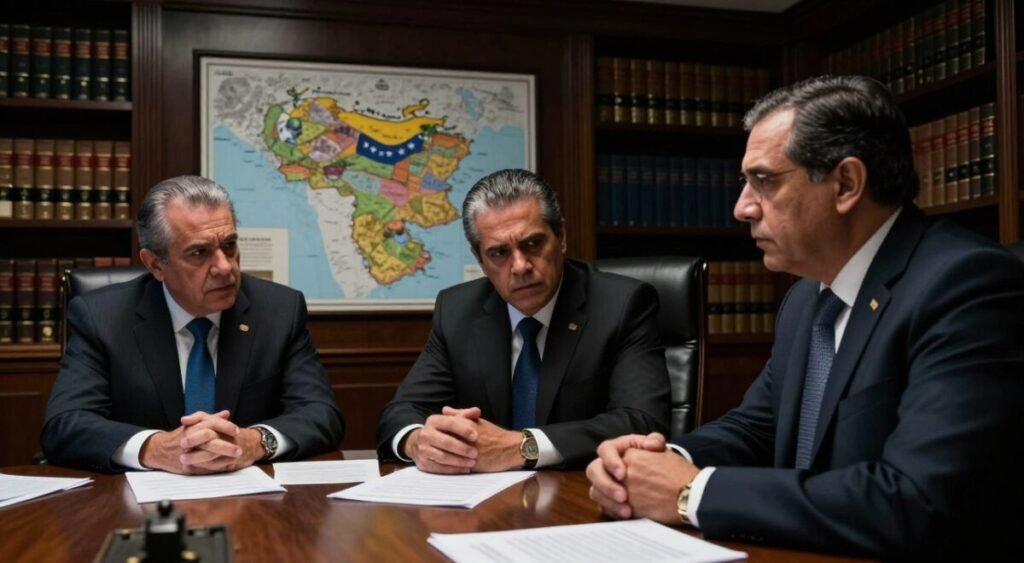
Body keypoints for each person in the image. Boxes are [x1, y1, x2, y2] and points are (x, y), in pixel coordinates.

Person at [586, 75, 1024, 558]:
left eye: (764, 181)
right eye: (745, 183)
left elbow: (916, 500)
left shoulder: (964, 286)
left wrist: (692, 493)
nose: (741, 208)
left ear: (846, 184)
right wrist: (653, 462)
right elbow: (757, 428)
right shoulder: (806, 299)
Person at [41, 175, 345, 474]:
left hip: (250, 494)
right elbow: (65, 424)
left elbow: (321, 413)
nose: (224, 267)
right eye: (199, 253)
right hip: (141, 498)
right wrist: (155, 448)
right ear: (155, 264)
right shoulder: (102, 317)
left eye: (229, 245)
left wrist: (255, 442)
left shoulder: (279, 310)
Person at [377, 168, 670, 473]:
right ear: (480, 260)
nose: (520, 266)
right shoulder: (457, 311)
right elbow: (401, 412)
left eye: (532, 244)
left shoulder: (622, 305)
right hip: (485, 496)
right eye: (499, 253)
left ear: (561, 237)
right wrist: (417, 441)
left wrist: (523, 446)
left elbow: (643, 421)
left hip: (584, 489)